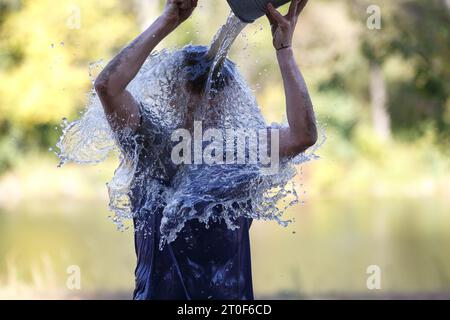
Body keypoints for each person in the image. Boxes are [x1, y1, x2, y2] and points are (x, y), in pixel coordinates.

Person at [94, 0, 317, 300]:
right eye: (195, 91)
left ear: (228, 98)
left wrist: (285, 51)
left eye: (215, 92)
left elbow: (303, 135)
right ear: (171, 93)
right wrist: (169, 19)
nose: (206, 104)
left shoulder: (241, 152)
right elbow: (108, 87)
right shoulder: (150, 145)